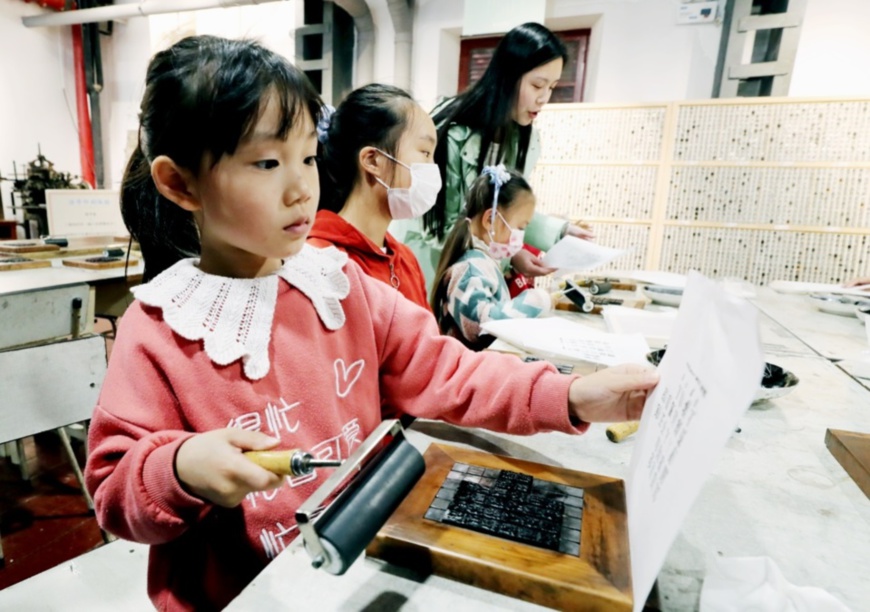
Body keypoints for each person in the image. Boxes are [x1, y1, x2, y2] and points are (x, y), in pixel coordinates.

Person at [85, 35, 658, 611]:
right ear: (180, 183)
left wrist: (575, 395)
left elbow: (452, 373)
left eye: (307, 157)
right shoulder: (158, 327)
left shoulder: (337, 284)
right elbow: (113, 490)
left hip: (349, 574)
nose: (300, 188)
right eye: (266, 162)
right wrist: (178, 469)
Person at [392, 21, 593, 292]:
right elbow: (446, 228)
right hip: (433, 272)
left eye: (552, 87)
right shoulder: (452, 132)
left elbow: (505, 209)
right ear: (508, 77)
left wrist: (559, 231)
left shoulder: (526, 139)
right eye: (537, 85)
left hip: (478, 275)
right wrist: (511, 254)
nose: (544, 98)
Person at [309, 83, 439, 309]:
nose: (433, 167)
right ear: (372, 160)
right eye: (425, 153)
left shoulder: (406, 259)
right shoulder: (323, 261)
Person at [431, 165, 553, 349]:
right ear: (490, 220)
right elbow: (482, 327)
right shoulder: (469, 270)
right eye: (520, 227)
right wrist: (537, 299)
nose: (521, 236)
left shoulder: (483, 261)